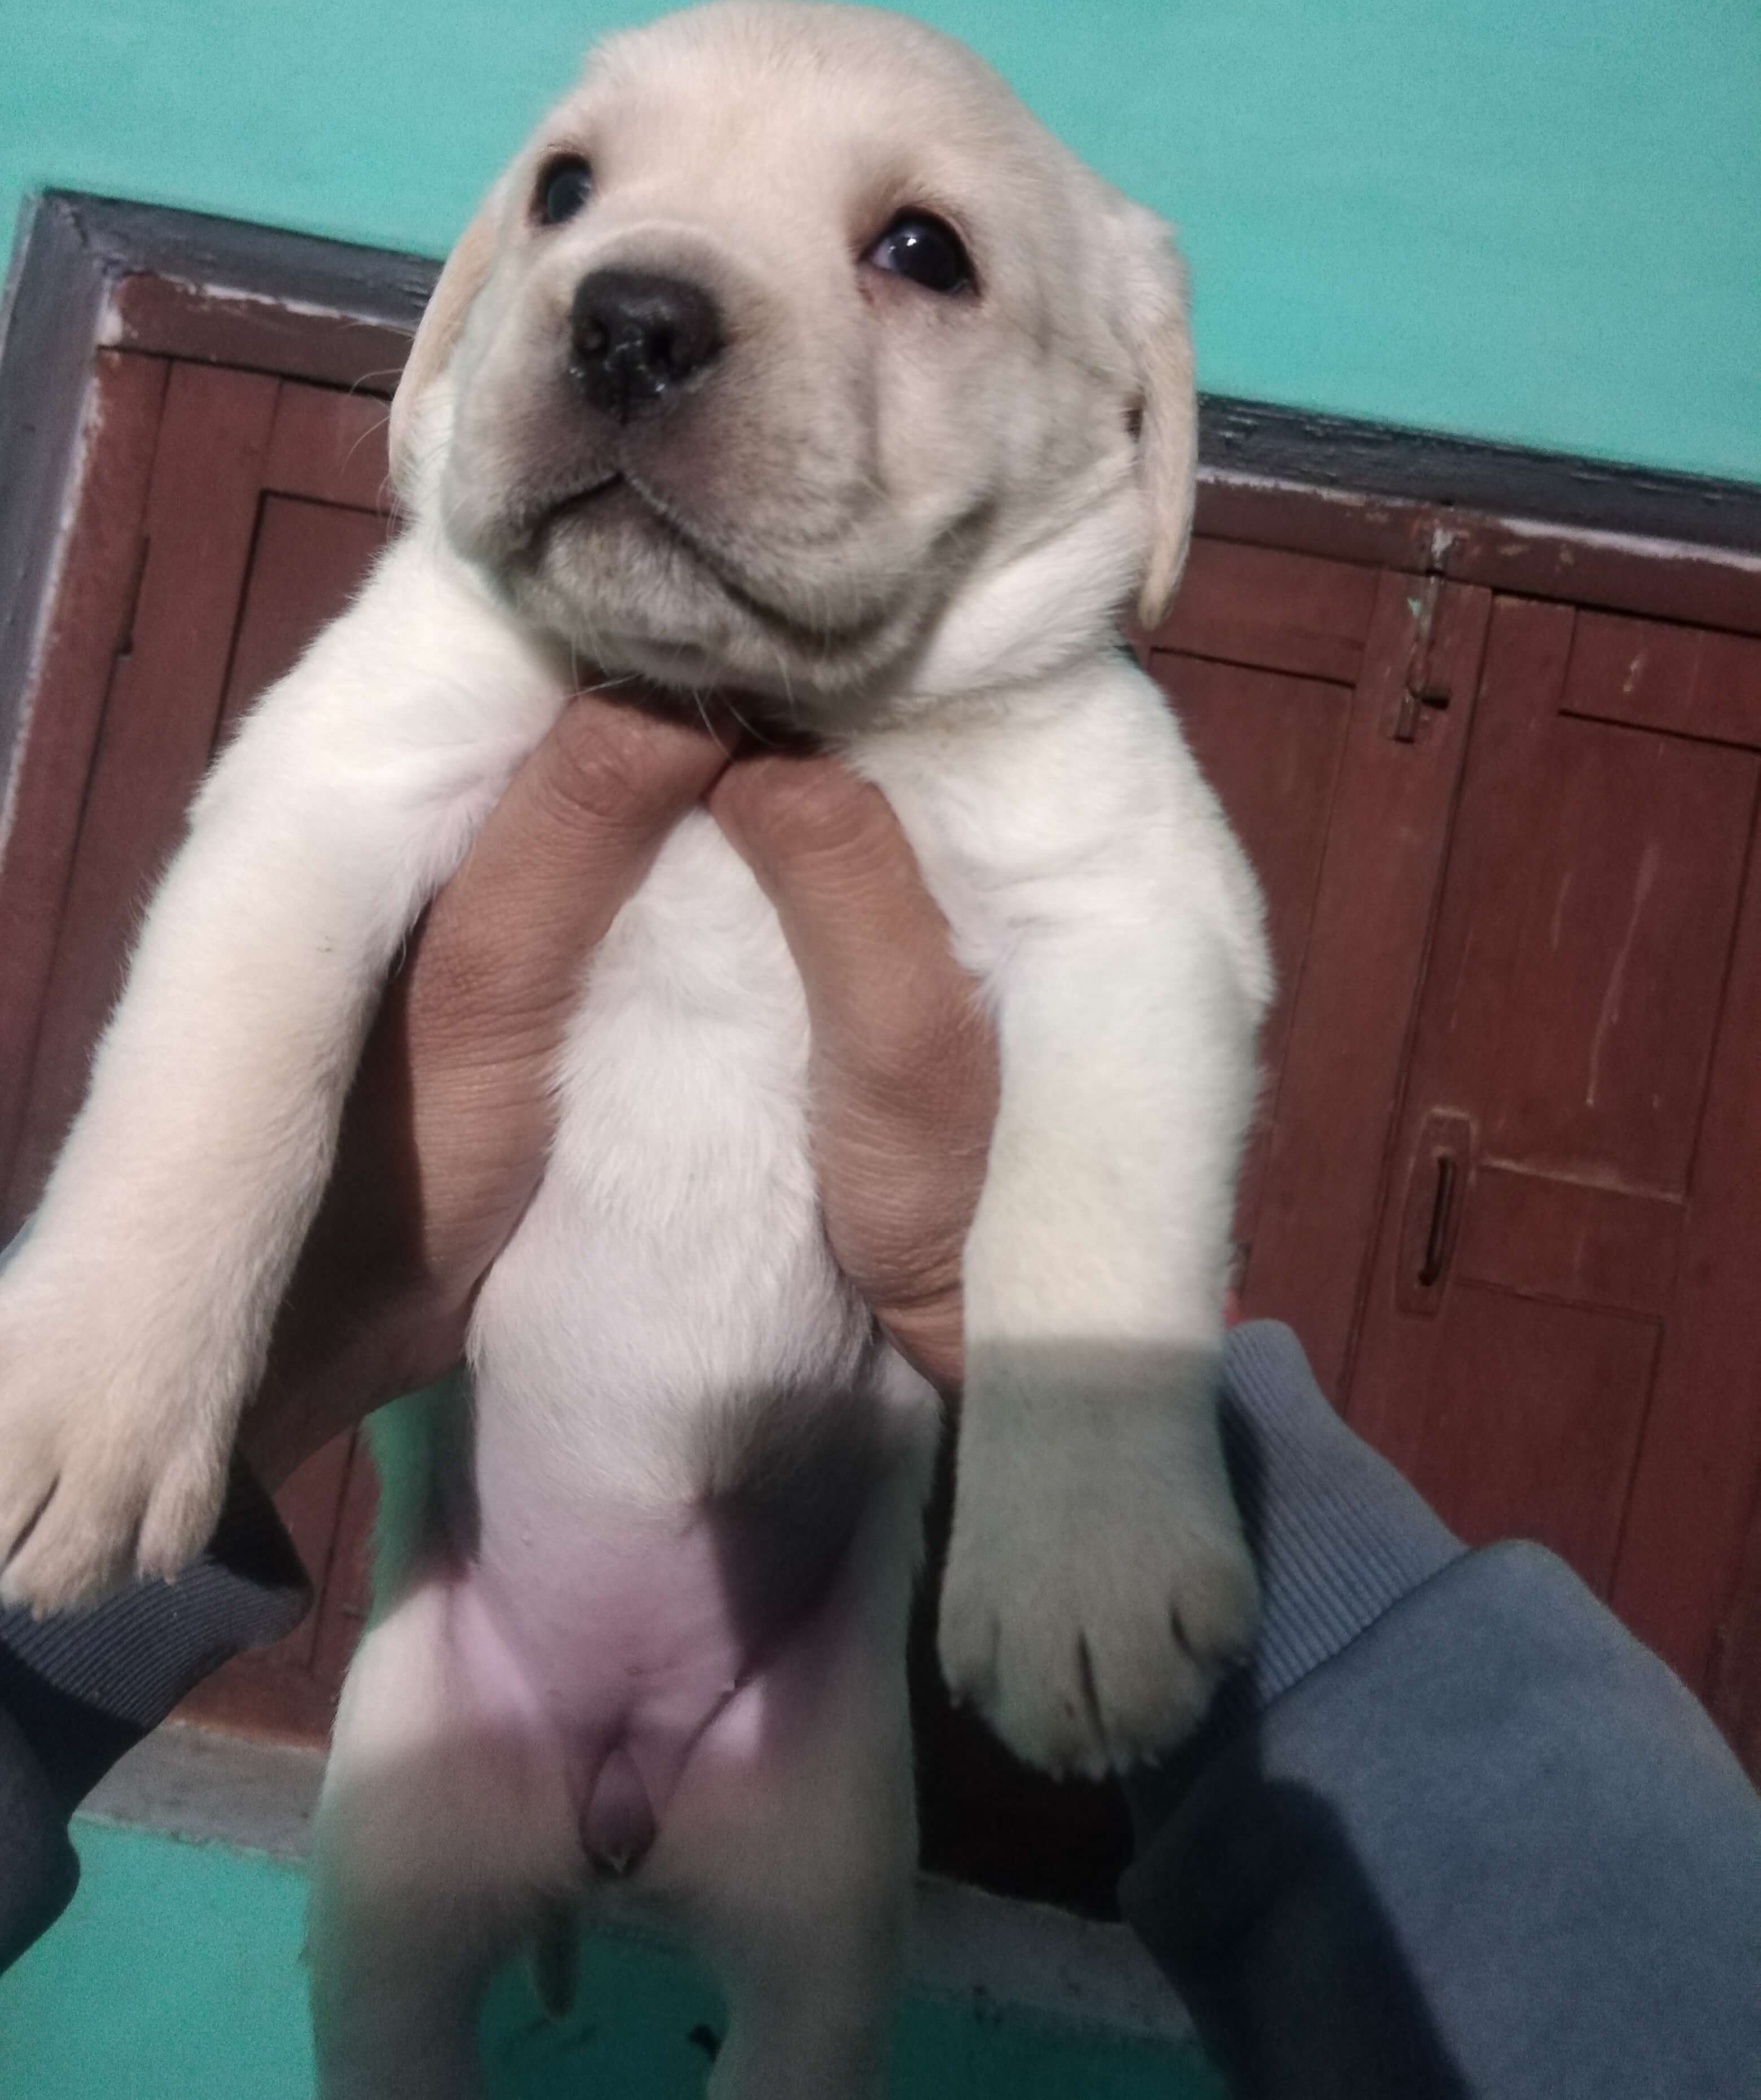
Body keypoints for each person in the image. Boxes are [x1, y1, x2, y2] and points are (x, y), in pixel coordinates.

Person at [2, 698, 1756, 2097]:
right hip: (475, 1636)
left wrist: (1054, 1367)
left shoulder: (1043, 733)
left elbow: (1157, 946)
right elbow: (299, 828)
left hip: (802, 1659)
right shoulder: (465, 655)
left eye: (917, 246)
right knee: (384, 2052)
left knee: (807, 2054)